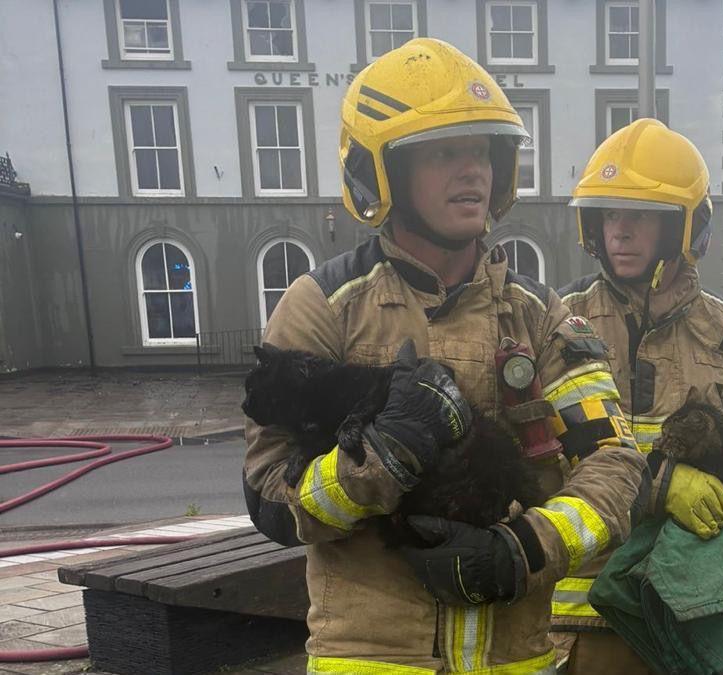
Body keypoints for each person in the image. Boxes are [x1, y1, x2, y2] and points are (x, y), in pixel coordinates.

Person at [242, 39, 647, 673]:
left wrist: (525, 549)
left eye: (482, 150)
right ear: (382, 171)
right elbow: (270, 499)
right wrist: (379, 457)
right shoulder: (324, 306)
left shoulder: (542, 318)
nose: (473, 170)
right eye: (444, 151)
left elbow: (616, 465)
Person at [553, 118, 723, 673]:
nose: (619, 232)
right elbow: (536, 459)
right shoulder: (558, 325)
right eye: (609, 215)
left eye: (640, 216)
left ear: (684, 226)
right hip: (581, 622)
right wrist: (658, 485)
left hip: (690, 618)